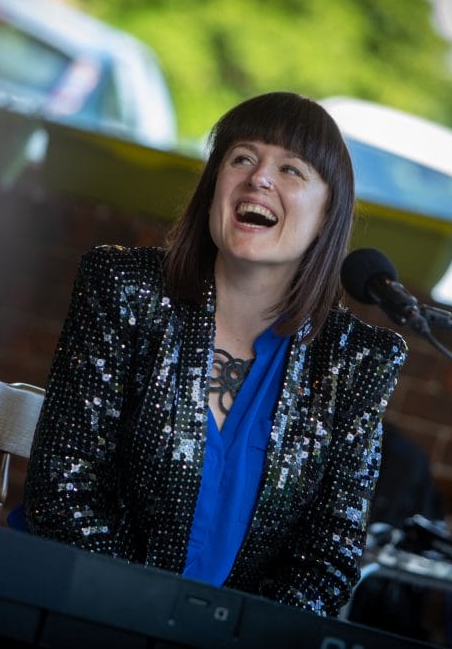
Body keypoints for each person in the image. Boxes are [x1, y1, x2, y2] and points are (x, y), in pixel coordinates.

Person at [23, 91, 407, 617]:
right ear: (213, 189)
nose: (260, 179)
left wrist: (237, 636)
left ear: (325, 217)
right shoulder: (123, 288)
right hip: (83, 616)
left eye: (292, 169)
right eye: (242, 158)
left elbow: (328, 558)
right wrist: (142, 618)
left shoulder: (356, 361)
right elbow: (64, 489)